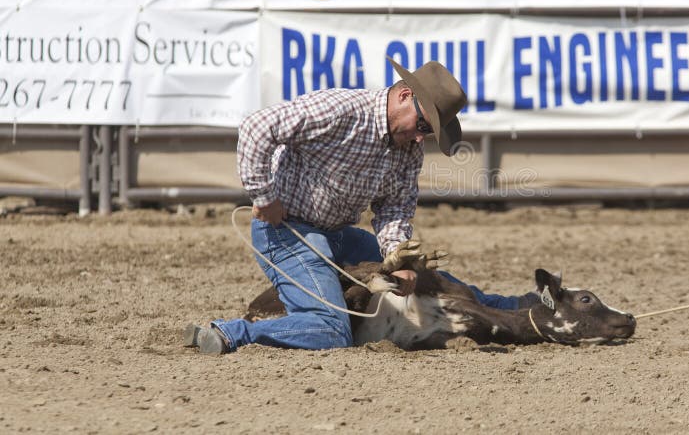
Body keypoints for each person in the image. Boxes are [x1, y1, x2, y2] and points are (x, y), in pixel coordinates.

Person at [184, 58, 536, 354]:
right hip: (287, 232)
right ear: (404, 94)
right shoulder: (341, 110)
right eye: (423, 124)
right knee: (331, 329)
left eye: (428, 132)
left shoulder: (408, 150)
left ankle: (515, 308)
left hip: (337, 236)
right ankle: (228, 333)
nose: (419, 137)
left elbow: (394, 209)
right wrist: (263, 197)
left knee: (434, 279)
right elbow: (257, 127)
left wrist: (399, 256)